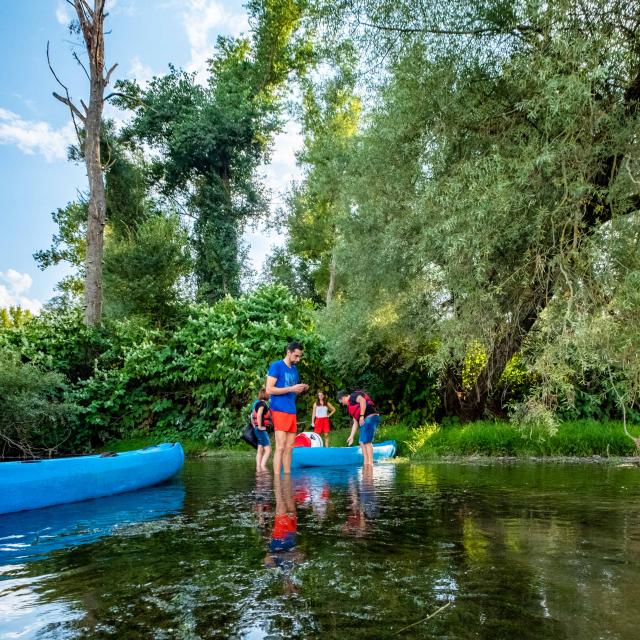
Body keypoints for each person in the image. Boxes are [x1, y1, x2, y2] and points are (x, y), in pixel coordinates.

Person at [266, 341, 309, 475]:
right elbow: (269, 389)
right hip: (279, 409)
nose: (298, 359)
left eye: (300, 356)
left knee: (290, 446)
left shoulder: (294, 370)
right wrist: (291, 388)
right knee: (280, 446)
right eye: (296, 356)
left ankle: (287, 478)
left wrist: (300, 389)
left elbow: (291, 390)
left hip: (291, 410)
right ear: (288, 352)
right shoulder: (276, 366)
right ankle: (278, 481)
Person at [338, 389, 380, 467]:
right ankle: (366, 463)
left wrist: (361, 416)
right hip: (367, 419)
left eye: (341, 401)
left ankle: (369, 464)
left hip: (370, 418)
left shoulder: (353, 396)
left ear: (343, 397)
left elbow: (363, 400)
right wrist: (351, 436)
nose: (342, 404)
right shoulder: (351, 406)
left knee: (367, 442)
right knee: (361, 442)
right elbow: (355, 423)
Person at [252, 387, 272, 471]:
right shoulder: (262, 404)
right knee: (268, 450)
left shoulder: (257, 403)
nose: (270, 394)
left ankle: (258, 468)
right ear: (265, 394)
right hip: (261, 430)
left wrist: (255, 426)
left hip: (257, 429)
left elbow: (252, 416)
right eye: (268, 393)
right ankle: (263, 468)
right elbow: (259, 415)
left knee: (260, 449)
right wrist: (260, 426)